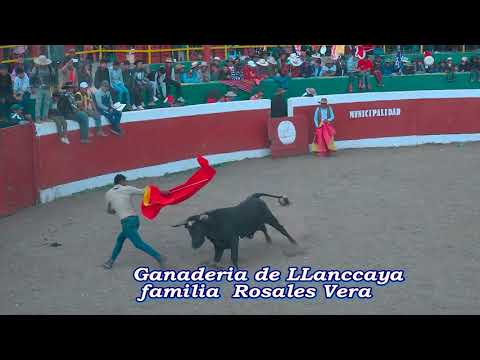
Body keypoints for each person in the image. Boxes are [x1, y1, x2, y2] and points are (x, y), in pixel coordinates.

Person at [102, 174, 169, 269]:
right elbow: (145, 192)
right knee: (120, 239)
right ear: (121, 181)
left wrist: (116, 209)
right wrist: (162, 192)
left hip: (126, 223)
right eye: (125, 181)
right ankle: (110, 261)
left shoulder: (108, 194)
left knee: (138, 243)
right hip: (134, 220)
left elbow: (109, 211)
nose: (126, 183)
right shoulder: (127, 188)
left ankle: (159, 257)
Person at [30, 55, 56, 123]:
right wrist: (32, 87)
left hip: (47, 88)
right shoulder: (35, 68)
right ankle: (37, 118)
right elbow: (31, 78)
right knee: (38, 103)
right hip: (38, 88)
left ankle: (45, 117)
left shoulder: (50, 68)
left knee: (47, 103)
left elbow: (53, 77)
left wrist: (53, 85)